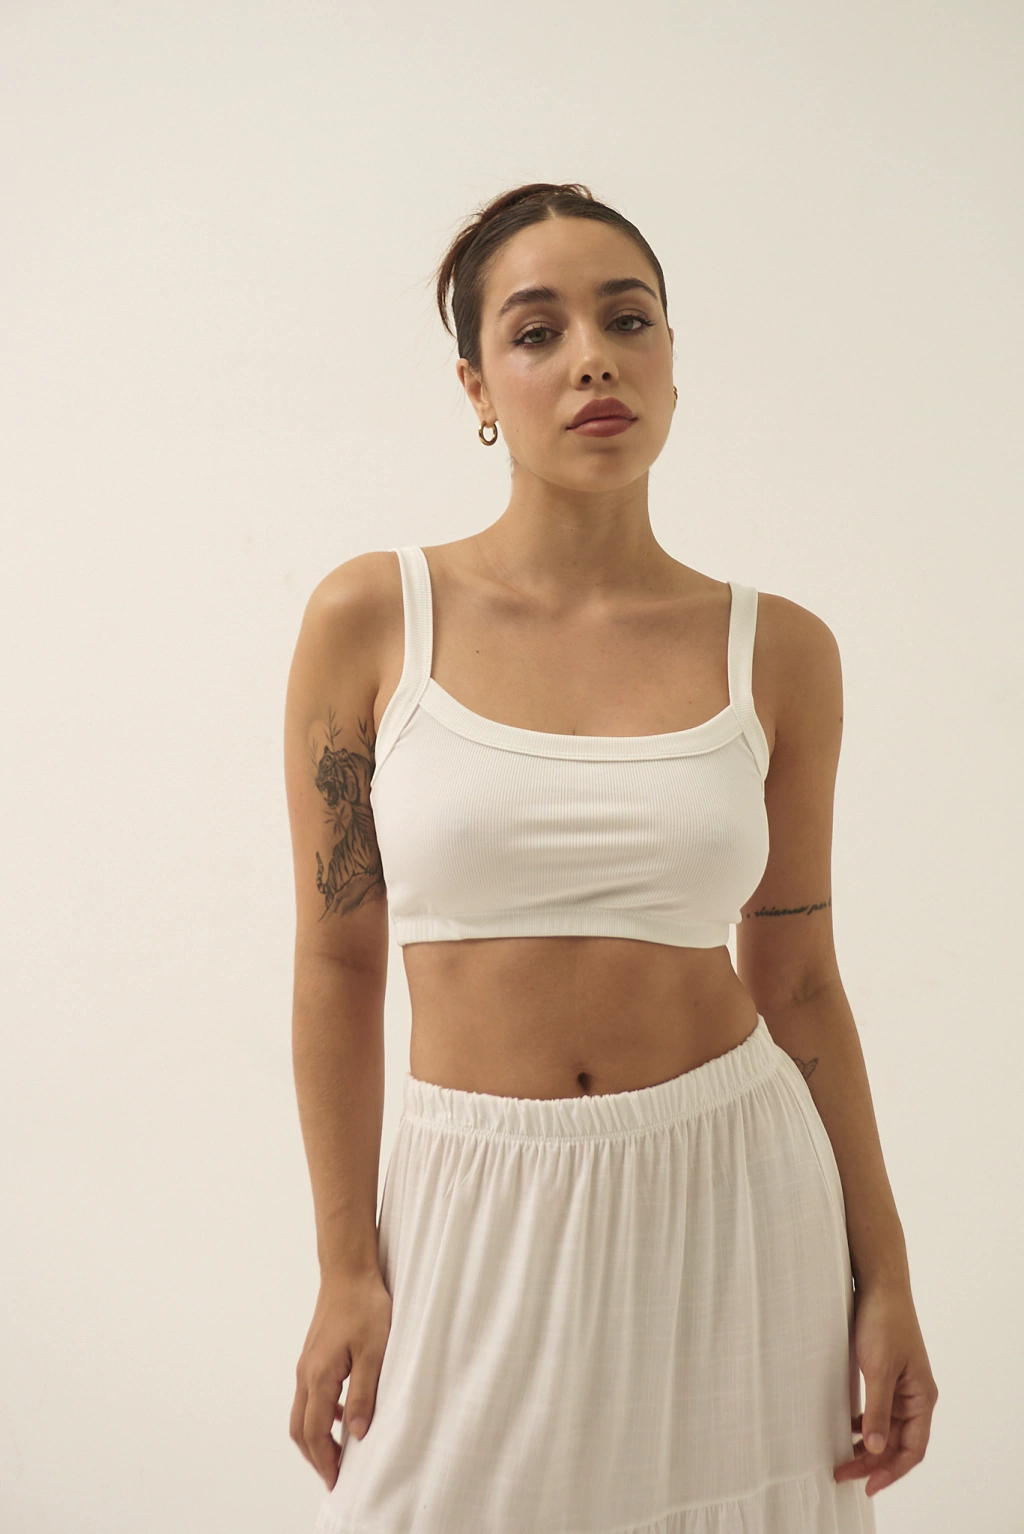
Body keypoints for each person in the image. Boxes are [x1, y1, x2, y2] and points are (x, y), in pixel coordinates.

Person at [284, 181, 937, 1533]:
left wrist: (885, 1274)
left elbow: (801, 975)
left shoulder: (780, 650)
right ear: (477, 386)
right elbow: (339, 963)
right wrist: (347, 1263)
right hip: (472, 1197)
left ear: (672, 359)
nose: (592, 357)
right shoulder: (374, 617)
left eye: (627, 320)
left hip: (734, 1193)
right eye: (537, 331)